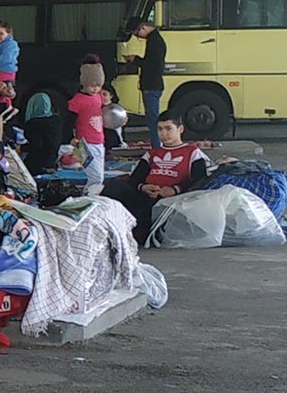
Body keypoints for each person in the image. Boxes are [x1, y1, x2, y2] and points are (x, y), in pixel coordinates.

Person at [102, 113, 210, 244]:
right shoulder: (152, 154)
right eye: (160, 129)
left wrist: (175, 189)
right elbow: (135, 179)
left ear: (180, 129)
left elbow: (201, 180)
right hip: (146, 194)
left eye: (168, 128)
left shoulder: (193, 153)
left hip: (172, 200)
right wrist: (143, 187)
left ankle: (135, 237)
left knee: (144, 210)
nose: (164, 134)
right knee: (113, 187)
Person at [123, 16, 169, 145]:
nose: (138, 37)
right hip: (152, 85)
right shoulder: (154, 40)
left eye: (137, 33)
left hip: (151, 85)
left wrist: (135, 59)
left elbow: (152, 65)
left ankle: (157, 146)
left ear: (143, 27)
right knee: (152, 118)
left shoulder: (155, 42)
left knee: (153, 119)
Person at [67, 57, 108, 193]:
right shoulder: (77, 101)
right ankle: (89, 198)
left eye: (98, 85)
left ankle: (90, 197)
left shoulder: (98, 97)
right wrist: (71, 138)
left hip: (99, 142)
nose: (95, 89)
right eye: (92, 85)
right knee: (96, 177)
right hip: (83, 144)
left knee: (98, 176)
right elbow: (68, 121)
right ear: (84, 83)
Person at [0, 19, 20, 123]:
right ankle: (8, 105)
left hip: (5, 70)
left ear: (8, 33)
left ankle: (6, 106)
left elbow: (5, 58)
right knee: (5, 88)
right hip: (5, 70)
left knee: (0, 88)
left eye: (1, 34)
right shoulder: (0, 45)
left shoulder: (10, 45)